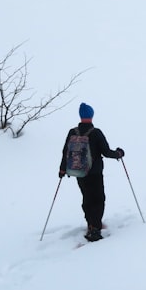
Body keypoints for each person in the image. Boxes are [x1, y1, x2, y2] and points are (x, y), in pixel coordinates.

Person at [58, 102, 125, 241]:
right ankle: (95, 228)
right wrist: (118, 154)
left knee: (87, 198)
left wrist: (62, 169)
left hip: (79, 172)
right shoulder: (95, 133)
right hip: (94, 173)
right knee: (98, 199)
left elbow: (66, 152)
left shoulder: (72, 132)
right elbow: (106, 152)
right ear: (91, 115)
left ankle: (90, 223)